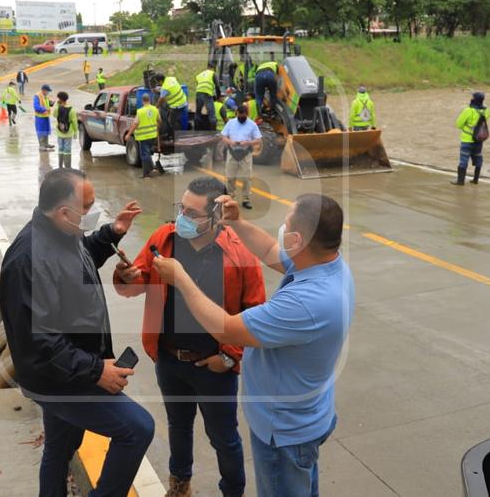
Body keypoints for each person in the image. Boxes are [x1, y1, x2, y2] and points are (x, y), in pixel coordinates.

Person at [151, 193, 354, 497]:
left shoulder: (306, 303)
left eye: (286, 224)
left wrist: (181, 279)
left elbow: (228, 329)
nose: (280, 230)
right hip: (306, 418)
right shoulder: (328, 265)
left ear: (298, 239)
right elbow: (273, 251)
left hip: (284, 434)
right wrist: (239, 223)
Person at [0, 169, 153, 497]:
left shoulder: (63, 233)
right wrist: (97, 371)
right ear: (63, 211)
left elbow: (80, 259)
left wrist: (113, 233)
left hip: (70, 367)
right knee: (138, 429)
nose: (92, 214)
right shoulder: (27, 260)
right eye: (88, 207)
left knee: (59, 450)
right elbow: (40, 343)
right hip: (59, 379)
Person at [113, 176, 265, 497]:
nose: (181, 218)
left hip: (213, 368)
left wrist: (229, 357)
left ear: (217, 216)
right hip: (170, 360)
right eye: (180, 209)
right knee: (178, 428)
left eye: (191, 214)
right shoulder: (165, 238)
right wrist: (127, 275)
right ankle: (179, 486)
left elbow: (256, 317)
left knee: (223, 437)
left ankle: (233, 491)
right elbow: (136, 282)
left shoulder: (241, 256)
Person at [221, 105, 262, 210]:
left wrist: (248, 142)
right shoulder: (230, 123)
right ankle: (230, 197)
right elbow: (223, 137)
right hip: (232, 152)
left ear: (247, 114)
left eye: (244, 116)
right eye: (240, 115)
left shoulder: (252, 125)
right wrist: (231, 142)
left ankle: (246, 199)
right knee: (230, 177)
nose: (242, 117)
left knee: (246, 178)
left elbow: (258, 140)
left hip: (246, 153)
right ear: (237, 113)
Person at [452, 92, 490, 186]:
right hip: (479, 139)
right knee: (478, 158)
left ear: (474, 99)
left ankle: (460, 181)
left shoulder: (468, 110)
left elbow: (458, 124)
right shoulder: (486, 111)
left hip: (467, 139)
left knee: (463, 160)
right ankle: (475, 180)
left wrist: (466, 129)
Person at [124, 93, 161, 179]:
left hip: (144, 137)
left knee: (145, 155)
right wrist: (157, 125)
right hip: (153, 136)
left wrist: (129, 134)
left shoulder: (140, 111)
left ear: (142, 101)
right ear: (150, 100)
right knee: (146, 154)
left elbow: (135, 124)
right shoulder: (155, 109)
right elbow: (159, 121)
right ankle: (147, 172)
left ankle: (148, 172)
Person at [157, 72, 189, 136]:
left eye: (158, 82)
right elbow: (171, 89)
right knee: (176, 118)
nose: (158, 84)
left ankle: (178, 135)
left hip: (177, 105)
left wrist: (156, 107)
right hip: (183, 101)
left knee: (171, 121)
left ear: (160, 81)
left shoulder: (164, 88)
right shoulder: (171, 78)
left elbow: (161, 100)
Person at [54, 91, 78, 169]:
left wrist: (57, 105)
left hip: (59, 131)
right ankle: (68, 166)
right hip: (69, 132)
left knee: (60, 148)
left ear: (59, 99)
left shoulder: (58, 108)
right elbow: (74, 122)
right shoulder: (72, 109)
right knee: (67, 149)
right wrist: (75, 132)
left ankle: (60, 166)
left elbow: (54, 115)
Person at [195, 62, 219, 131]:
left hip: (198, 93)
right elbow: (217, 86)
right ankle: (213, 133)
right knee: (212, 115)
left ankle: (196, 130)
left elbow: (200, 85)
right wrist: (218, 97)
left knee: (198, 113)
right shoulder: (213, 73)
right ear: (212, 68)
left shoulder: (199, 75)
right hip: (207, 94)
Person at [34, 84, 56, 152]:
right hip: (40, 117)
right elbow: (36, 106)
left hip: (46, 116)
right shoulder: (37, 96)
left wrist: (51, 103)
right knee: (41, 131)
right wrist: (44, 109)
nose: (48, 92)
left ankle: (46, 144)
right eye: (47, 91)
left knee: (46, 131)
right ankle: (41, 146)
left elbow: (47, 103)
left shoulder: (45, 96)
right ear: (44, 90)